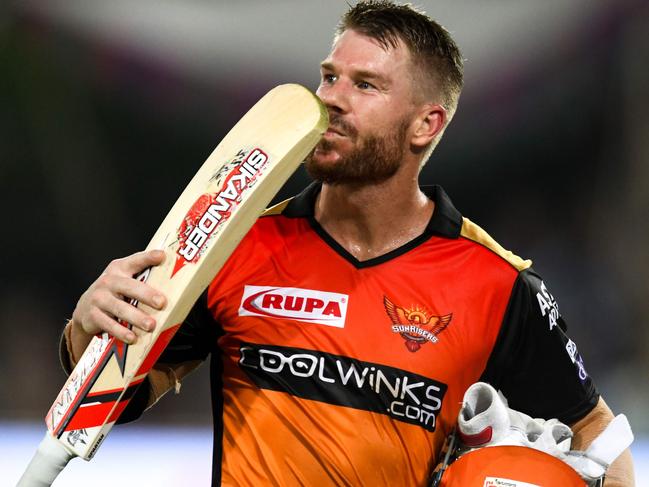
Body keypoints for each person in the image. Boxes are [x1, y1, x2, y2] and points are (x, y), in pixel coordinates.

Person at [61, 1, 635, 485]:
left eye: (365, 85)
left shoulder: (496, 283)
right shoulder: (238, 244)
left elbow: (601, 440)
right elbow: (120, 399)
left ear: (426, 125)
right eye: (329, 76)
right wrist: (89, 328)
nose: (331, 98)